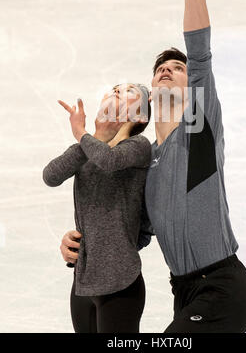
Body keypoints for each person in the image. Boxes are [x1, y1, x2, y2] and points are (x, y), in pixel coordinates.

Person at [60, 0, 246, 333]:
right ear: (151, 92)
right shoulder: (144, 161)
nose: (167, 71)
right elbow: (130, 236)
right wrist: (77, 244)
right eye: (160, 70)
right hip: (183, 293)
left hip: (223, 287)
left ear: (191, 90)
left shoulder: (198, 130)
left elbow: (199, 54)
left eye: (176, 69)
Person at [43, 83, 152, 333]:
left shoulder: (139, 146)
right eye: (114, 88)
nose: (116, 91)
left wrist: (83, 134)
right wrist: (90, 138)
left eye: (127, 92)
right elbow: (51, 176)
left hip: (120, 282)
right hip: (83, 281)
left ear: (140, 116)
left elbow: (110, 161)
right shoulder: (87, 149)